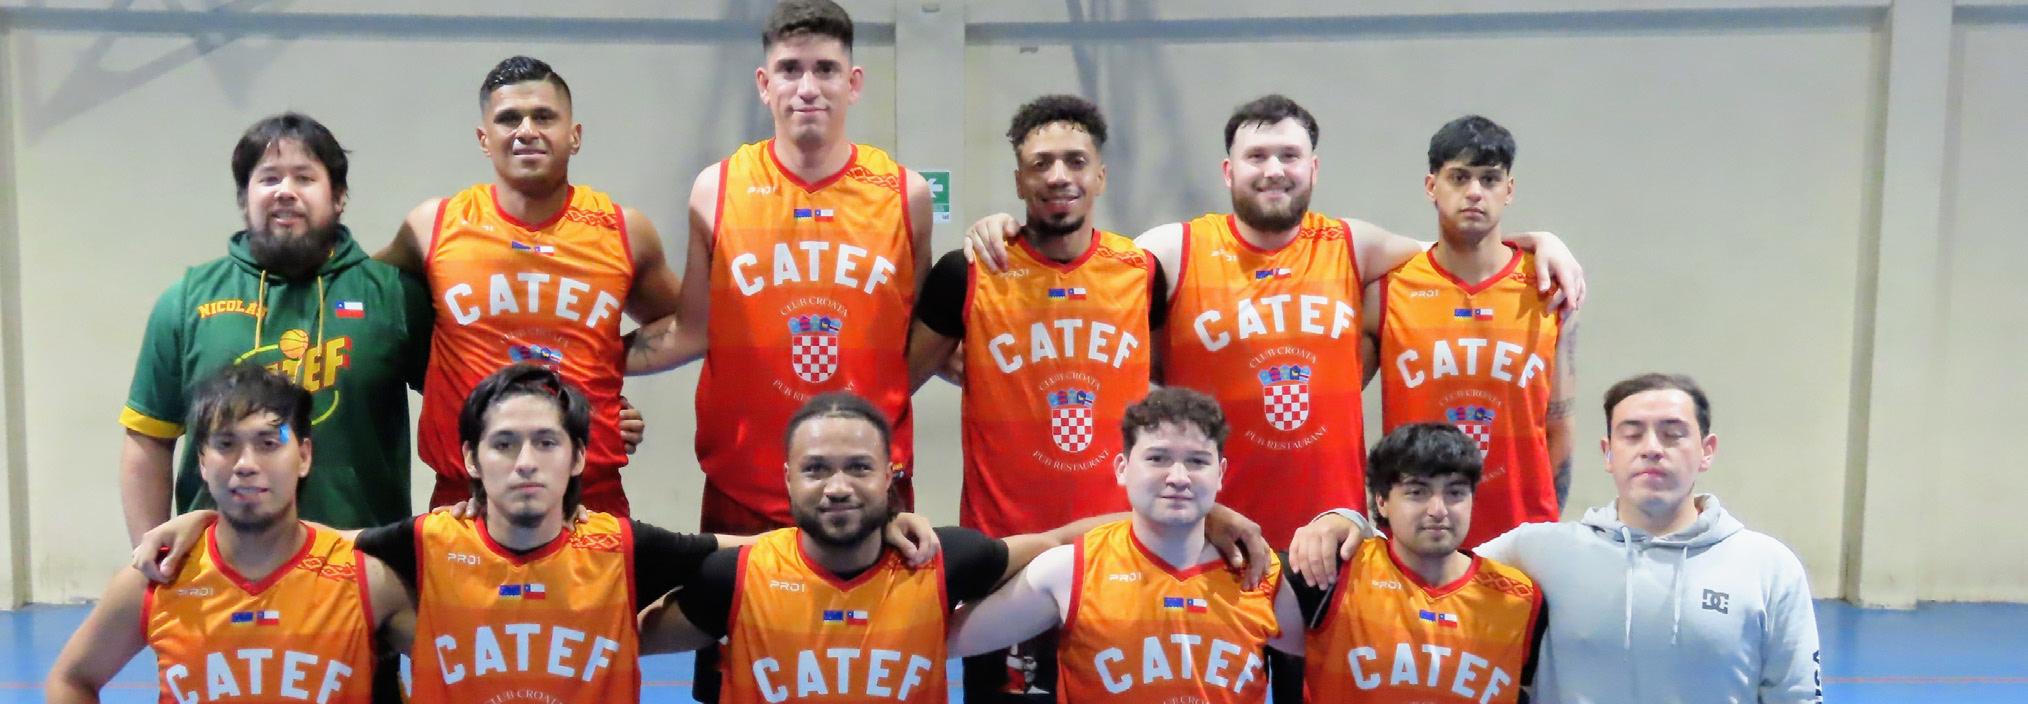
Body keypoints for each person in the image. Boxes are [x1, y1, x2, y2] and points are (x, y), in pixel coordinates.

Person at [961, 95, 1587, 550]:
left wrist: (1542, 241)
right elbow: (1074, 267)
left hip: (1330, 531)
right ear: (1228, 171)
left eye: (1290, 155)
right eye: (1256, 155)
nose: (1273, 169)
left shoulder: (1354, 245)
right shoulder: (1173, 248)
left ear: (1313, 168)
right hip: (1207, 525)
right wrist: (1005, 227)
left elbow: (1461, 251)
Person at [135, 365, 940, 703]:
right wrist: (203, 516)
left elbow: (763, 551)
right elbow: (297, 539)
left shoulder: (625, 545)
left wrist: (877, 521)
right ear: (470, 461)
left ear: (579, 458)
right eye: (504, 444)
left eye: (547, 442)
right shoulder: (419, 543)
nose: (525, 462)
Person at [636, 391, 1266, 703]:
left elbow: (1055, 542)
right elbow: (625, 638)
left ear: (891, 477)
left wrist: (1197, 514)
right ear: (787, 478)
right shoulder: (734, 576)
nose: (837, 487)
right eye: (816, 469)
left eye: (859, 468)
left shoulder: (943, 561)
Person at [1296, 373, 1823, 703]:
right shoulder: (1543, 551)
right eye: (1633, 434)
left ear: (1706, 450)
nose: (1652, 448)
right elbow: (1427, 555)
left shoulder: (1767, 565)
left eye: (1673, 433)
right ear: (1608, 452)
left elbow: (1797, 695)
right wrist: (1348, 520)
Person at [624, 0, 934, 536]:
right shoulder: (717, 189)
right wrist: (580, 362)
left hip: (868, 488)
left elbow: (922, 338)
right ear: (765, 85)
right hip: (743, 485)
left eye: (826, 69)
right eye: (790, 70)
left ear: (854, 83)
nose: (808, 88)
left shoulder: (906, 195)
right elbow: (692, 331)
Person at [904, 94, 1154, 699]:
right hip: (1005, 551)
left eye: (1075, 161)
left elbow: (1181, 383)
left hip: (1114, 543)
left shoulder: (1144, 271)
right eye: (1041, 163)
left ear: (1100, 176)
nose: (1059, 176)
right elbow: (897, 379)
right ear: (1019, 180)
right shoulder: (968, 271)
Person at [375, 55, 681, 516]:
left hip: (589, 498)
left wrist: (600, 370)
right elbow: (358, 293)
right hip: (464, 500)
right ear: (484, 139)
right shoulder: (432, 226)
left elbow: (685, 324)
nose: (526, 131)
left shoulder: (625, 231)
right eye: (508, 119)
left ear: (574, 135)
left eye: (543, 116)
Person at [119, 112, 433, 543]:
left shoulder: (394, 296)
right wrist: (151, 557)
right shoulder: (187, 300)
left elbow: (463, 413)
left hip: (361, 561)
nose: (285, 191)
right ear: (244, 198)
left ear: (338, 197)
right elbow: (148, 441)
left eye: (304, 177)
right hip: (216, 568)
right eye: (268, 179)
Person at [52, 364, 409, 703]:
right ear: (202, 462)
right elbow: (70, 680)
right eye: (225, 444)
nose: (246, 464)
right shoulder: (157, 579)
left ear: (303, 456)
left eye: (268, 443)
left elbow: (444, 663)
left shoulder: (367, 581)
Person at [948, 387, 1305, 703]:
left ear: (1220, 474)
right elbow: (936, 641)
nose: (1178, 477)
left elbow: (1337, 655)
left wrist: (1336, 518)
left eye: (1197, 461)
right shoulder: (1069, 570)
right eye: (1157, 458)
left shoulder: (1260, 573)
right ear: (1122, 468)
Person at [1366, 115, 1579, 548]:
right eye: (1459, 177)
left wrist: (1549, 528)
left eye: (1490, 179)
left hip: (1522, 539)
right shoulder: (1389, 290)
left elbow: (1559, 425)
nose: (1475, 192)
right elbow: (1338, 412)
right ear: (1432, 186)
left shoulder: (1549, 288)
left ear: (1509, 190)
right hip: (1419, 542)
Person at [1286, 423, 1544, 702]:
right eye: (1417, 492)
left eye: (1455, 492)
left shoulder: (1520, 598)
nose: (1438, 510)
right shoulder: (1336, 572)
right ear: (1382, 501)